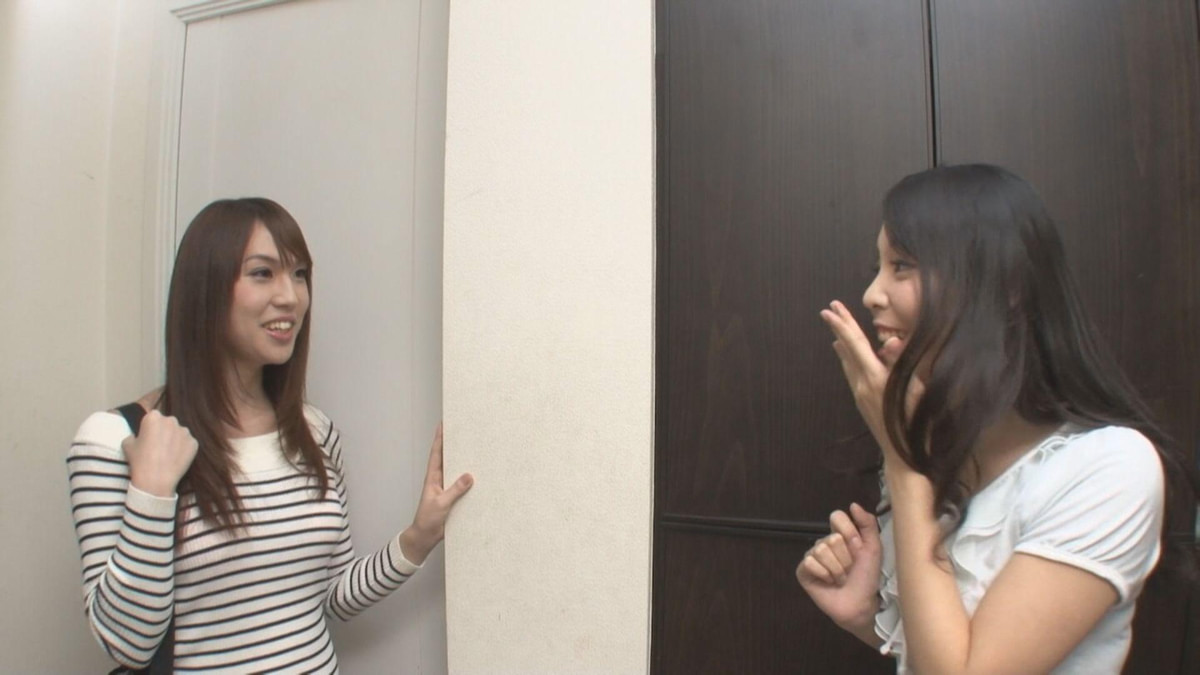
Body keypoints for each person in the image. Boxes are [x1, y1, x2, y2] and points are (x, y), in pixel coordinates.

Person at [795, 164, 1198, 673]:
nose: (873, 294)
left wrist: (903, 461)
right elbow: (939, 651)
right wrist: (865, 618)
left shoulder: (1111, 467)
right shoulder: (935, 453)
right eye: (878, 267)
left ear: (1004, 286)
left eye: (902, 266)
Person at [67, 198, 474, 673]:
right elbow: (127, 644)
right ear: (205, 290)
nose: (291, 297)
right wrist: (152, 493)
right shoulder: (115, 438)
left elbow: (331, 597)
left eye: (299, 274)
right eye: (262, 273)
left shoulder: (314, 430)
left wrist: (418, 538)